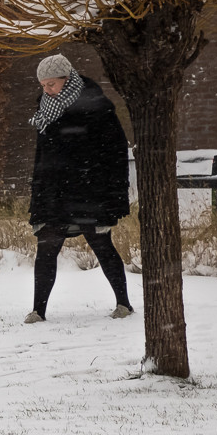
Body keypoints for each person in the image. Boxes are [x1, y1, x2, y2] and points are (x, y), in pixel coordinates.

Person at [25, 53, 134, 324]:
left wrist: (111, 192)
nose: (47, 90)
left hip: (89, 191)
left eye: (51, 84)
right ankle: (38, 311)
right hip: (54, 192)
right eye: (43, 85)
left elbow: (115, 150)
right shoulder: (46, 109)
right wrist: (40, 188)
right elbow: (42, 155)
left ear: (67, 78)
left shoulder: (97, 106)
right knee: (46, 246)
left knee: (101, 244)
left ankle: (124, 303)